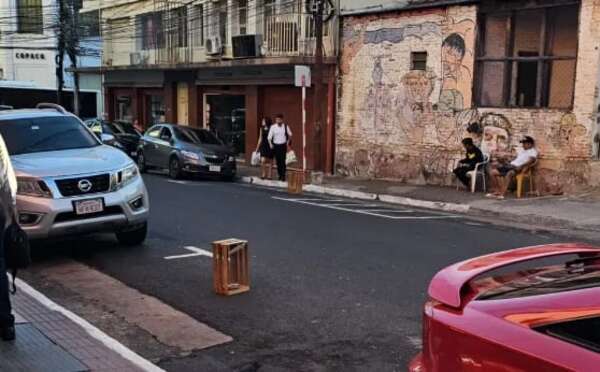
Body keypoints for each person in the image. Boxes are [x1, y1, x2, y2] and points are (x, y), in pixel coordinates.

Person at [268, 114, 292, 181]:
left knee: (283, 161)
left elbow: (290, 135)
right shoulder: (273, 127)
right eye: (277, 120)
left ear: (282, 120)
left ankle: (283, 176)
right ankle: (279, 174)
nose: (278, 121)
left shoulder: (285, 126)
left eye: (279, 120)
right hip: (276, 146)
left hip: (283, 145)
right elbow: (269, 137)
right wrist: (270, 144)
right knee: (278, 162)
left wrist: (288, 142)